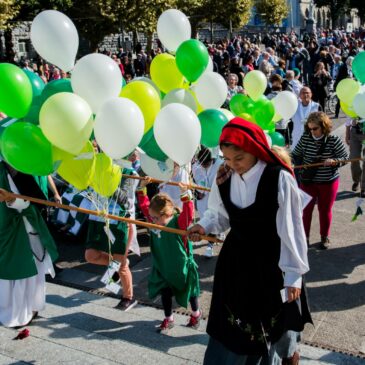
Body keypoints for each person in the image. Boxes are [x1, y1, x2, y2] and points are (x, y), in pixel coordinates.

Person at [189, 117, 312, 364]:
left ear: (255, 150)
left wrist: (293, 275)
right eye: (227, 159)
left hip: (273, 264)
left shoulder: (278, 177)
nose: (234, 165)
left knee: (273, 327)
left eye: (239, 158)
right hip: (236, 266)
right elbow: (220, 214)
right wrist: (204, 225)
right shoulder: (225, 175)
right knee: (232, 330)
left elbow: (292, 229)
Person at [136, 180, 201, 333]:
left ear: (167, 214)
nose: (151, 220)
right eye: (151, 217)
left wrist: (185, 195)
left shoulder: (177, 223)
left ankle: (196, 314)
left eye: (155, 218)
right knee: (165, 292)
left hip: (180, 266)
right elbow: (145, 206)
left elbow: (188, 215)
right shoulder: (154, 221)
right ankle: (168, 318)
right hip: (162, 265)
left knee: (190, 292)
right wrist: (141, 188)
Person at [0, 161, 58, 327]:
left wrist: (12, 200)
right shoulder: (6, 170)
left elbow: (37, 202)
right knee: (12, 270)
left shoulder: (24, 171)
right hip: (8, 231)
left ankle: (27, 309)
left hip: (24, 230)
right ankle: (12, 310)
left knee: (27, 270)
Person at [84, 168, 139, 311]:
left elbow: (126, 201)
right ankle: (118, 264)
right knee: (90, 255)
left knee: (120, 264)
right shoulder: (97, 166)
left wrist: (107, 184)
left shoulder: (128, 171)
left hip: (119, 220)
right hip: (98, 217)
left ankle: (128, 297)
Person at [292, 112, 348, 249]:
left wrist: (335, 161)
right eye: (310, 128)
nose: (312, 132)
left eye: (315, 128)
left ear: (324, 126)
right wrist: (290, 161)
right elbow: (296, 154)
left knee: (324, 210)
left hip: (328, 182)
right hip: (308, 181)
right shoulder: (306, 137)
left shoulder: (333, 139)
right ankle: (304, 238)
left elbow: (344, 157)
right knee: (306, 211)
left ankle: (324, 237)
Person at [192, 146, 222, 258]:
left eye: (206, 164)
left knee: (214, 221)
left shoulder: (220, 165)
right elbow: (194, 181)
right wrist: (197, 193)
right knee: (205, 219)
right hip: (203, 200)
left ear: (212, 159)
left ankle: (210, 246)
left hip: (216, 198)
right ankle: (211, 236)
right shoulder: (196, 166)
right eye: (202, 164)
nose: (204, 166)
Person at [345, 118, 365, 197]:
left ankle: (363, 188)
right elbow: (348, 120)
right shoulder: (353, 105)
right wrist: (347, 135)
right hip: (354, 132)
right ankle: (357, 180)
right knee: (354, 159)